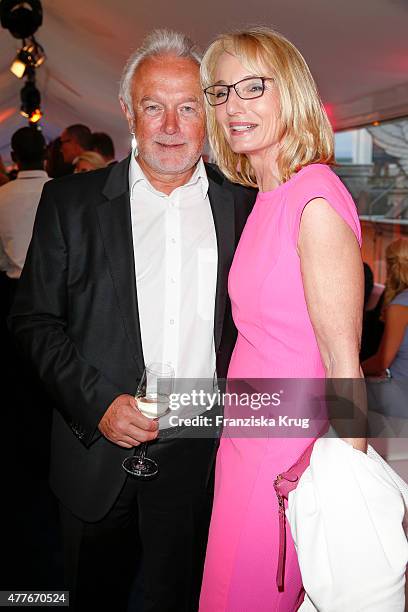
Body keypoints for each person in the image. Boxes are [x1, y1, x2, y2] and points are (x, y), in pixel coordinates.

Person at [9, 29, 256, 612]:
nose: (170, 125)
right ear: (128, 112)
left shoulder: (243, 206)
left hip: (200, 453)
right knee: (92, 595)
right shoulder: (69, 203)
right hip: (96, 451)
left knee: (182, 596)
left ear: (209, 114)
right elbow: (34, 320)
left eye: (188, 106)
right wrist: (98, 403)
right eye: (154, 106)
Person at [199, 27, 366, 610]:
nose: (233, 107)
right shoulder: (268, 193)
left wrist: (348, 493)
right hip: (247, 439)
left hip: (282, 459)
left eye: (252, 87)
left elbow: (346, 365)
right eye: (221, 93)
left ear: (290, 92)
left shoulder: (313, 198)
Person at [0, 127, 49, 294]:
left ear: (13, 156)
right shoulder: (63, 190)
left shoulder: (2, 195)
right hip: (54, 286)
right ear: (46, 153)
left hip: (14, 288)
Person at [363, 239, 408, 383]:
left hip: (398, 388)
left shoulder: (399, 306)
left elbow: (381, 363)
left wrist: (354, 370)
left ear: (391, 267)